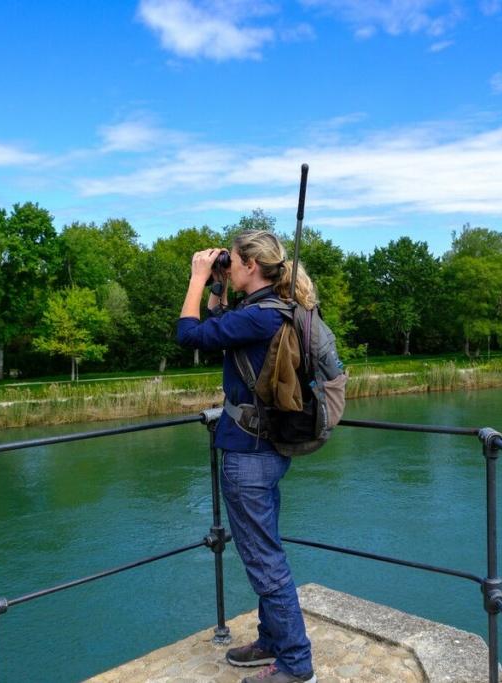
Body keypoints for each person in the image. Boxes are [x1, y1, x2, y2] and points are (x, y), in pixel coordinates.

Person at [176, 230, 317, 683]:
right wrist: (220, 284)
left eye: (232, 261)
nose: (227, 266)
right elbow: (223, 330)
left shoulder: (259, 318)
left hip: (249, 455)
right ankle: (272, 641)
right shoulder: (272, 310)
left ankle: (296, 665)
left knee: (264, 561)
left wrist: (197, 279)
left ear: (252, 266)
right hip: (267, 449)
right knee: (265, 550)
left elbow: (189, 334)